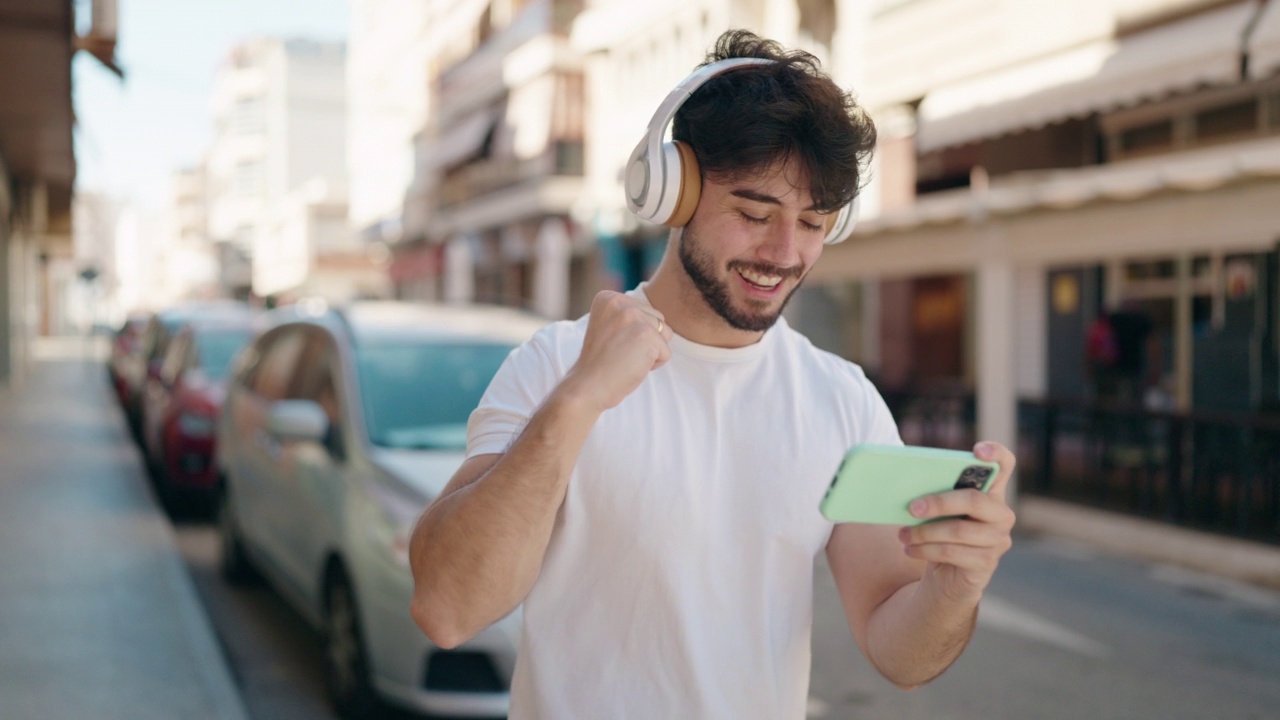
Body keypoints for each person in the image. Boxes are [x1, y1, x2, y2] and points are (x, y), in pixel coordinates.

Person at [408, 30, 1016, 719]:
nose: (784, 252)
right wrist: (578, 401)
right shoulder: (554, 365)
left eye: (814, 223)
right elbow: (447, 609)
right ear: (673, 193)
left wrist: (954, 588)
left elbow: (901, 654)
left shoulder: (842, 400)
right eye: (754, 214)